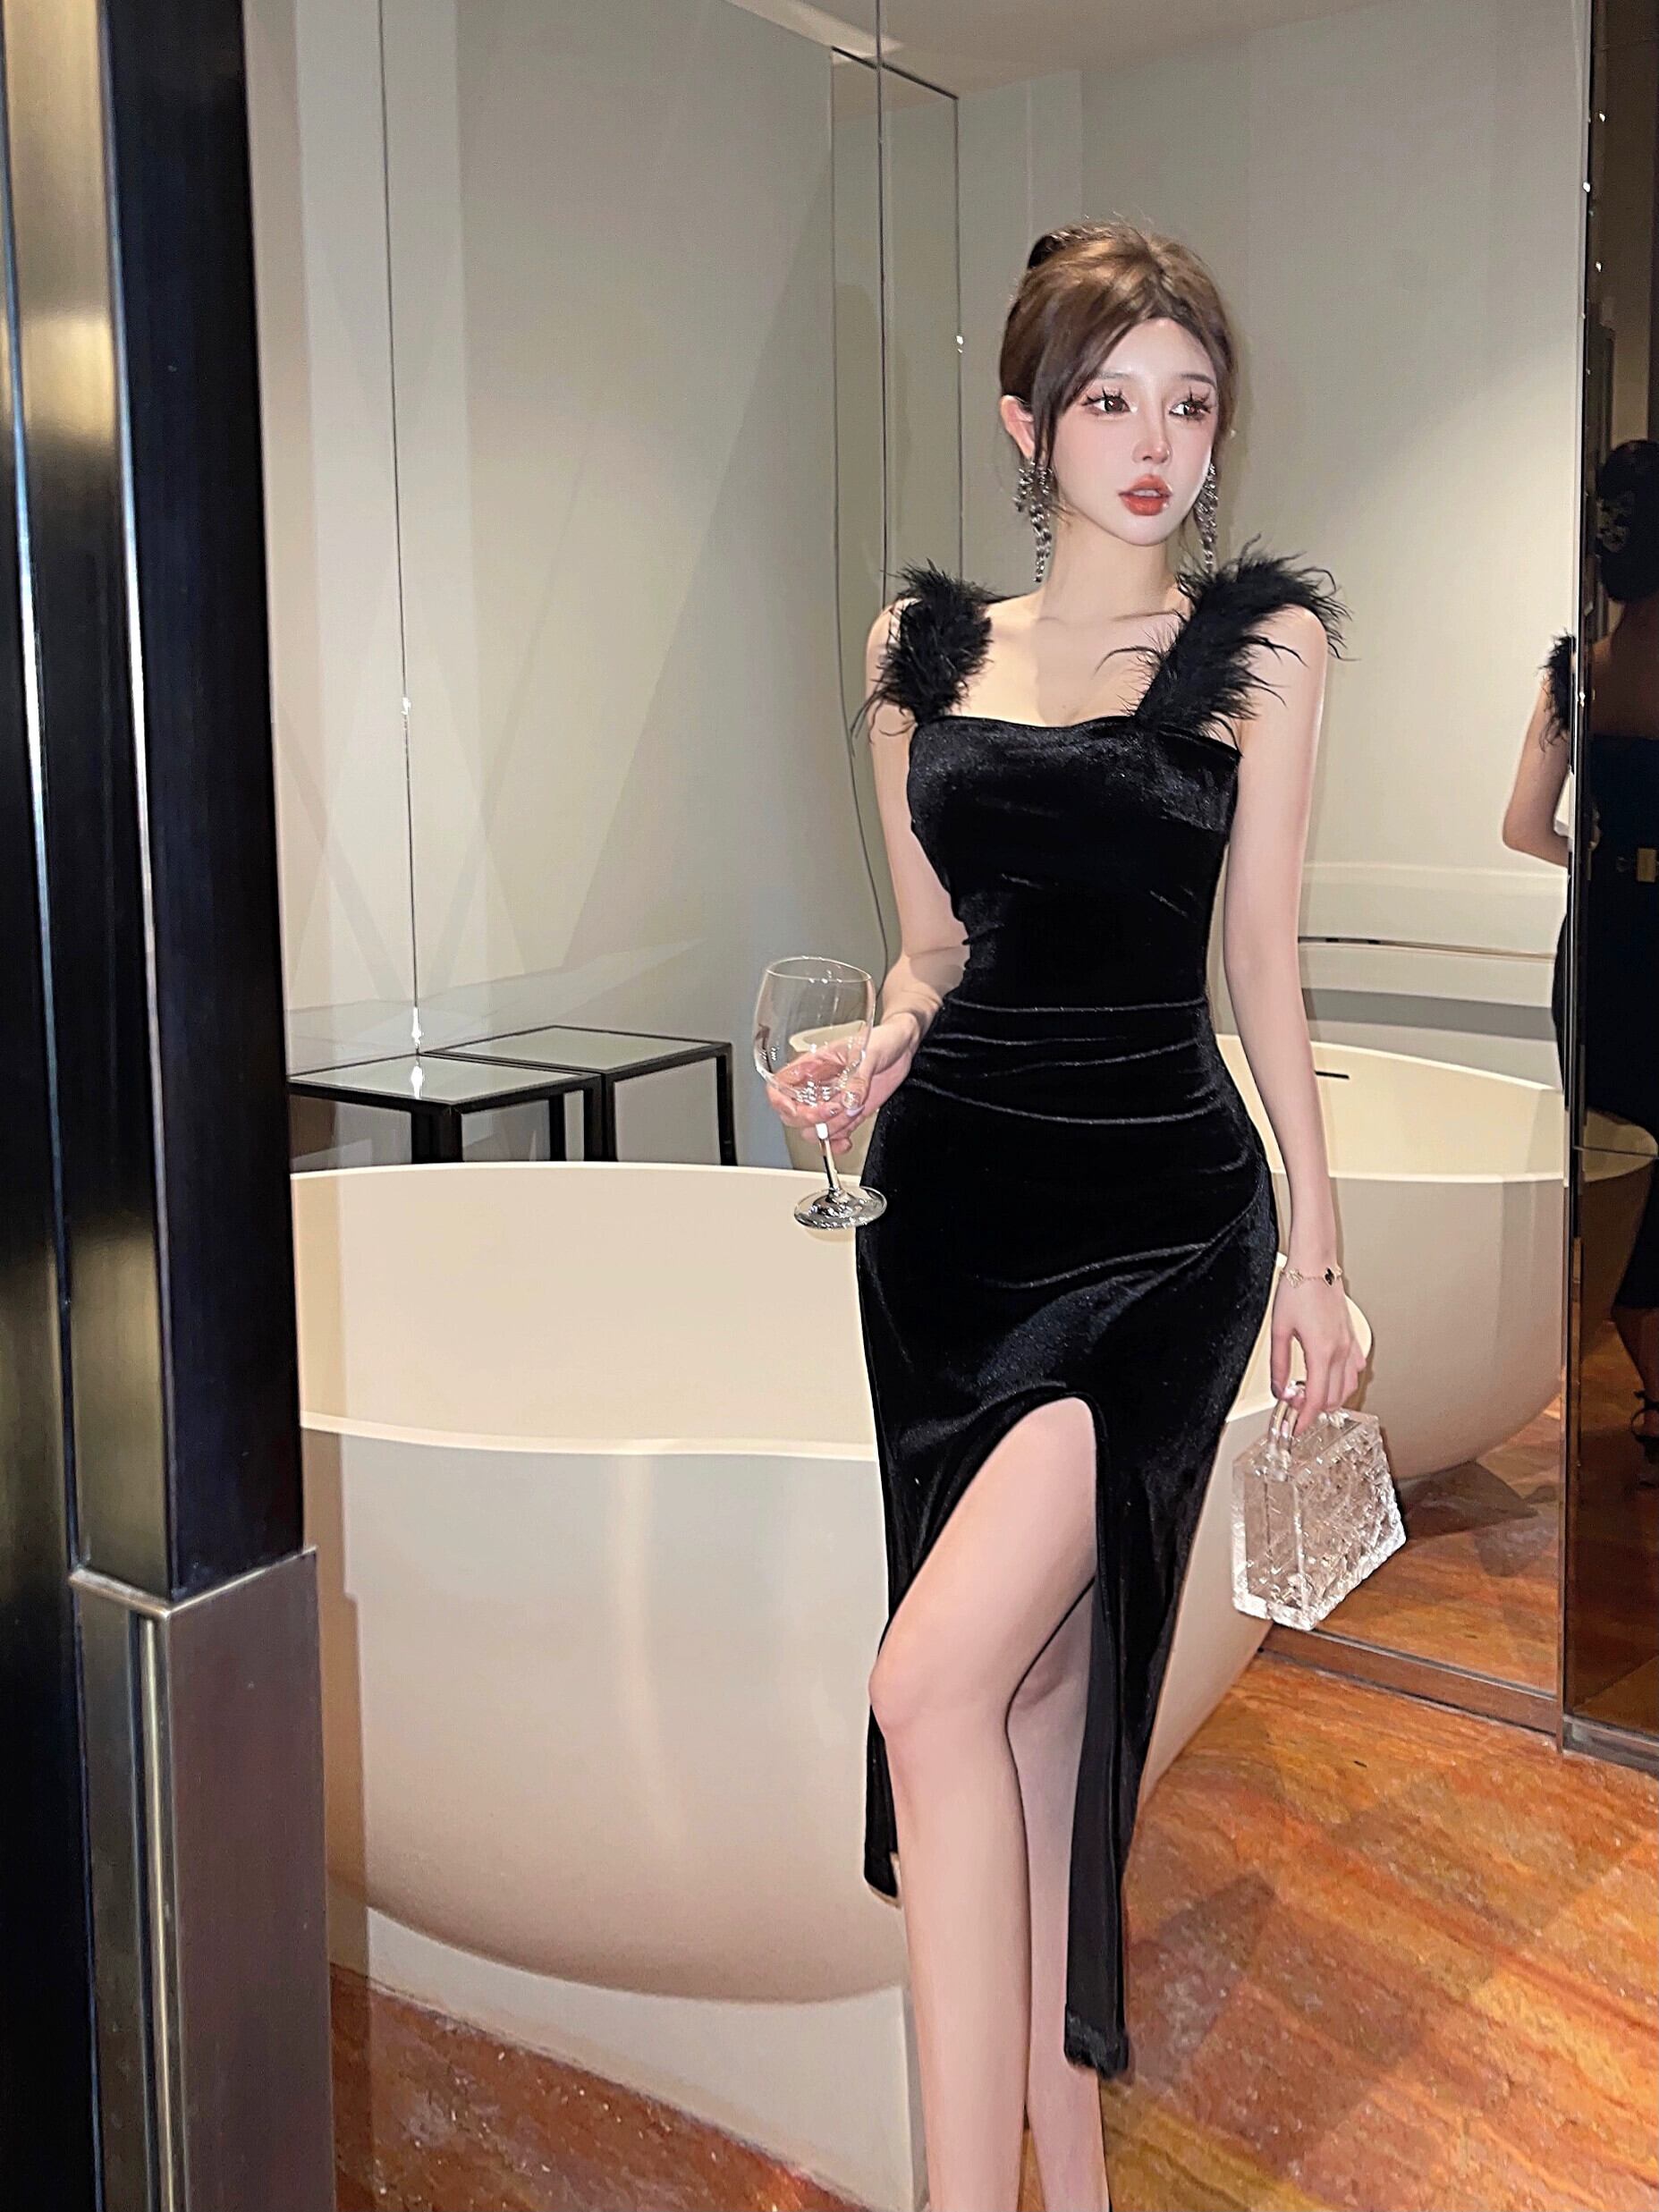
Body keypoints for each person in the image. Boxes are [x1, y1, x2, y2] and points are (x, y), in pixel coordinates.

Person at [766, 219, 1363, 2212]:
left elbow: (1263, 967)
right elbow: (934, 951)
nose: (1156, 443)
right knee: (1021, 1727)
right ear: (1029, 424)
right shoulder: (918, 657)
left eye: (1189, 403)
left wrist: (1318, 1254)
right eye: (1111, 400)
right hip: (949, 1230)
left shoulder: (1260, 654)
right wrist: (878, 1042)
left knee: (926, 1681)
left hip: (1158, 1234)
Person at [1505, 436, 1659, 1473]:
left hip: (1602, 947)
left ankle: (1651, 1389)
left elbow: (1522, 827)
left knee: (1618, 1175)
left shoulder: (1577, 672)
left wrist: (1598, 863)